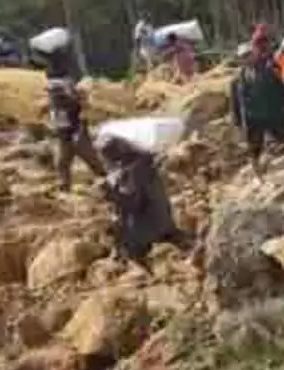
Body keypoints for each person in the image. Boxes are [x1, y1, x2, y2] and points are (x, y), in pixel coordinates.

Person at [96, 133, 188, 270]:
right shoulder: (143, 163)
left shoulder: (131, 172)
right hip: (164, 221)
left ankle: (131, 256)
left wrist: (110, 193)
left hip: (148, 228)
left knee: (119, 235)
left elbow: (133, 204)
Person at [33, 41, 105, 192]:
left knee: (90, 160)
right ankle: (64, 188)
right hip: (64, 132)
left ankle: (107, 182)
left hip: (75, 129)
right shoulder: (61, 89)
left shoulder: (64, 90)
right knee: (63, 163)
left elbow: (75, 104)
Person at [230, 40, 284, 173]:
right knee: (253, 149)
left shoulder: (268, 72)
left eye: (249, 55)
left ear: (255, 55)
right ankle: (258, 176)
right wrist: (236, 121)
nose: (247, 58)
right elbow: (235, 102)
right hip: (251, 118)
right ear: (240, 60)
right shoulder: (236, 80)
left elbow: (280, 90)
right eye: (244, 57)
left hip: (271, 113)